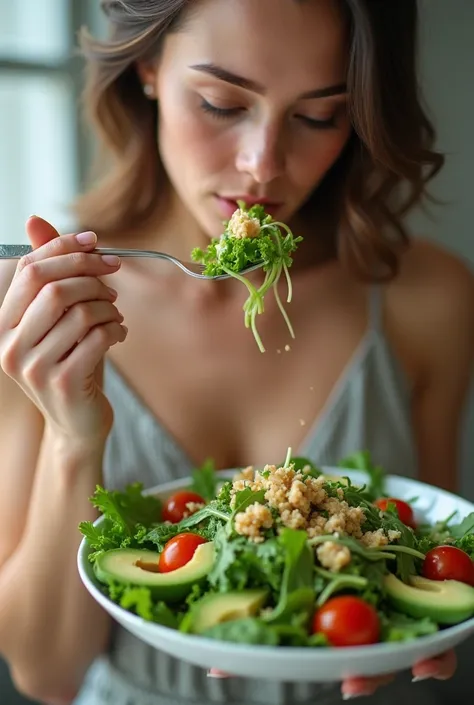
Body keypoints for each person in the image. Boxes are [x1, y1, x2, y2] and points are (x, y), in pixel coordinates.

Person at [0, 0, 472, 703]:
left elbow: (434, 566)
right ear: (149, 68)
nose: (262, 167)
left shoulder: (429, 298)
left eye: (319, 116)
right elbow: (47, 673)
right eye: (221, 103)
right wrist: (73, 436)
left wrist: (414, 636)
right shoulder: (45, 309)